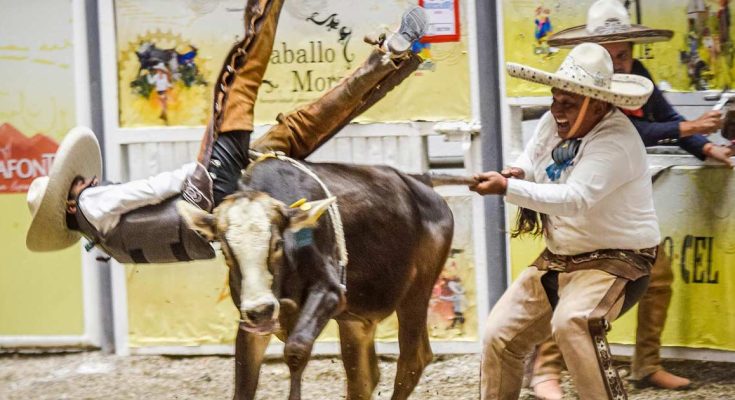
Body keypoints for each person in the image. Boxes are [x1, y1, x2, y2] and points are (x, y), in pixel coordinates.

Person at [24, 2, 429, 265]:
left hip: (222, 211)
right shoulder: (96, 202)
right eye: (75, 185)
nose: (85, 181)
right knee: (239, 82)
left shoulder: (106, 242)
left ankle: (389, 58)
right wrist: (205, 166)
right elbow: (148, 190)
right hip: (210, 185)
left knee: (298, 133)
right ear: (71, 207)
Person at [525, 1, 733, 396]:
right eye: (613, 55)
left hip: (621, 204)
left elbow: (666, 121)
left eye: (625, 54)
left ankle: (646, 365)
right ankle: (545, 371)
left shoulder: (636, 79)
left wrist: (708, 149)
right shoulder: (581, 86)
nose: (621, 63)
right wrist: (688, 127)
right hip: (582, 198)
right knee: (566, 287)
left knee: (657, 276)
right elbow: (637, 133)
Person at [473, 42, 660, 400]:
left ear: (599, 104)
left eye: (568, 104)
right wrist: (519, 171)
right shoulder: (552, 122)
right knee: (498, 334)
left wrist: (507, 186)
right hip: (561, 258)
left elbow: (574, 200)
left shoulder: (616, 140)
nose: (556, 110)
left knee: (573, 323)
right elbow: (533, 156)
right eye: (555, 99)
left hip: (619, 260)